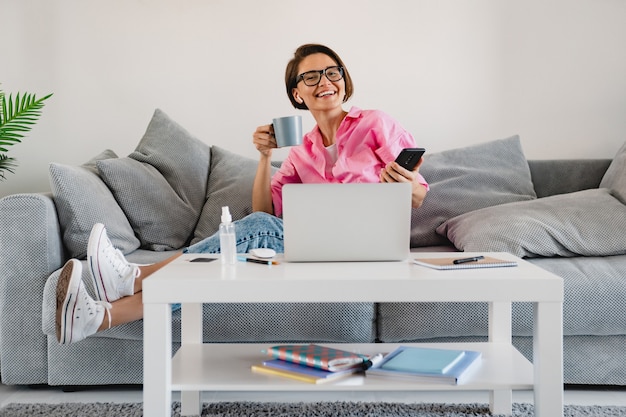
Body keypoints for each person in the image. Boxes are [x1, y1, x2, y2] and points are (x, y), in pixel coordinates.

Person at [56, 43, 429, 344]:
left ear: (345, 82)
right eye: (311, 76)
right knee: (228, 257)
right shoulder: (300, 152)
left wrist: (404, 186)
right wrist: (265, 158)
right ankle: (101, 317)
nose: (325, 81)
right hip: (320, 249)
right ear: (297, 94)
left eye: (333, 72)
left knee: (254, 233)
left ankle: (136, 277)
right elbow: (265, 211)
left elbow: (418, 196)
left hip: (372, 246)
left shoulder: (376, 124)